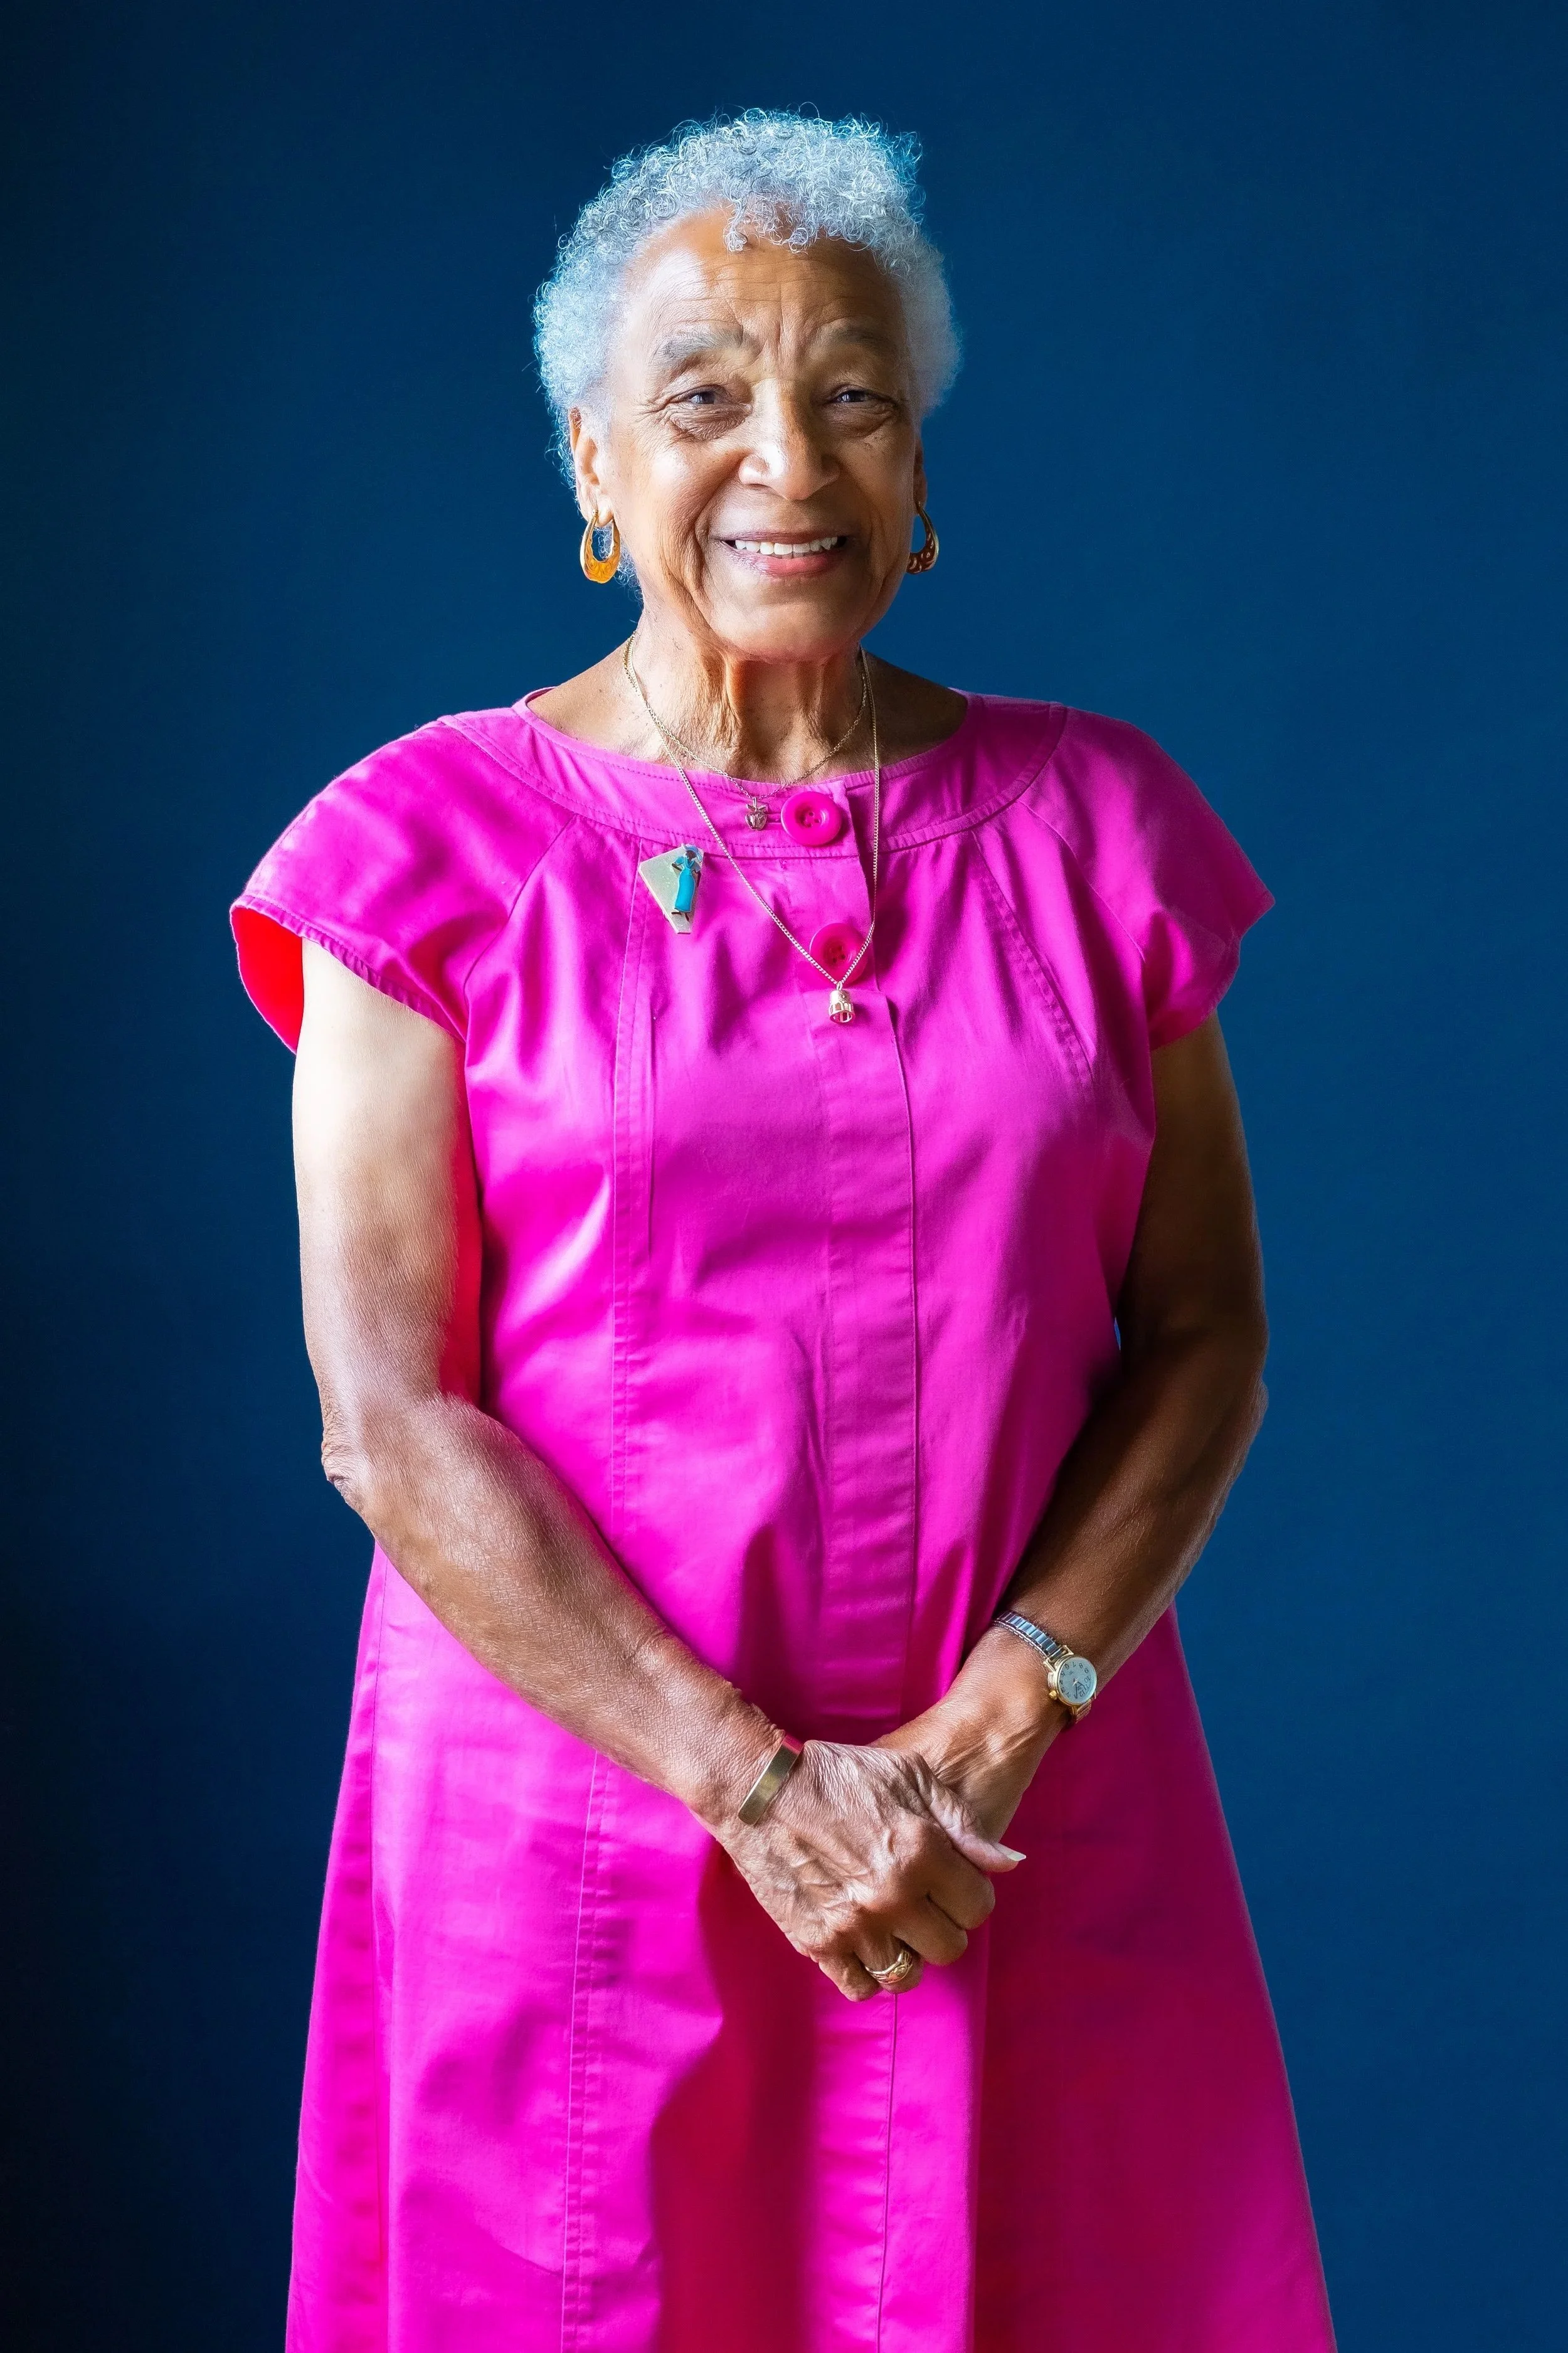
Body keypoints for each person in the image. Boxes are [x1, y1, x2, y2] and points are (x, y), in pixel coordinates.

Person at [233, 110, 1334, 2353]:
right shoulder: (420, 852)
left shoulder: (1102, 829)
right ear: (590, 468)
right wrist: (751, 1782)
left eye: (851, 395)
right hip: (583, 1829)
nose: (785, 462)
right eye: (704, 397)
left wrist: (1006, 1709)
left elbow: (1203, 1329)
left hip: (1014, 1811)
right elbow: (388, 1412)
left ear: (923, 474)